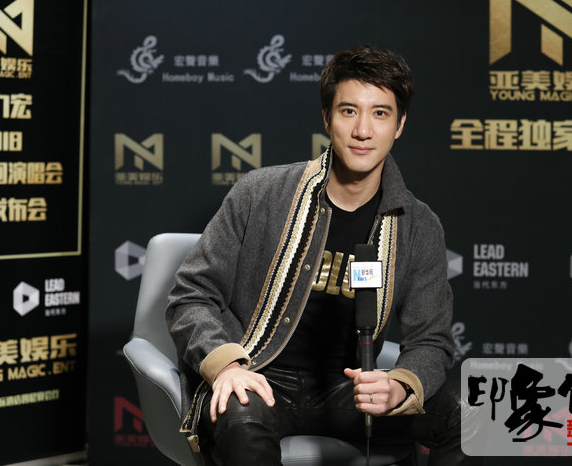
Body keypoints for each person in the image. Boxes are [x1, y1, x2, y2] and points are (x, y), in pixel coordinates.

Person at [167, 45, 472, 465]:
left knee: (471, 414)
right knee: (241, 419)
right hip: (258, 378)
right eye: (349, 111)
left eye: (380, 113)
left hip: (345, 390)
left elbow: (431, 340)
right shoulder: (261, 193)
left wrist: (400, 385)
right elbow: (191, 296)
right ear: (327, 118)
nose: (363, 130)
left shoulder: (418, 225)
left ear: (399, 125)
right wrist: (227, 367)